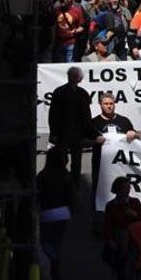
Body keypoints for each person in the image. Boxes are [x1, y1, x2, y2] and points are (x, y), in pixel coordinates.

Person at [48, 66, 96, 197]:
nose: (74, 78)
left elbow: (87, 116)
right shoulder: (59, 92)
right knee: (61, 160)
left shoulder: (83, 93)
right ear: (68, 77)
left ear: (80, 79)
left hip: (78, 134)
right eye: (72, 76)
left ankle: (75, 188)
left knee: (77, 162)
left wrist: (88, 134)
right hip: (62, 132)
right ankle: (59, 185)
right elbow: (53, 115)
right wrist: (53, 134)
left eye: (76, 76)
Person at [103, 177, 141, 280]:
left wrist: (135, 216)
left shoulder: (135, 203)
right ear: (118, 190)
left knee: (127, 275)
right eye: (124, 188)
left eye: (128, 188)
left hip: (131, 244)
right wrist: (110, 241)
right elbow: (107, 226)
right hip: (118, 244)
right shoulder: (111, 206)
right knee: (121, 276)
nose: (127, 190)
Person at [37, 149, 74, 280]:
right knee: (57, 242)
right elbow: (72, 197)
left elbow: (37, 195)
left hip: (47, 212)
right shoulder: (66, 176)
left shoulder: (43, 175)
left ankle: (51, 264)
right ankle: (55, 267)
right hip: (63, 212)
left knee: (46, 241)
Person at [91, 94, 137, 198]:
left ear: (114, 105)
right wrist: (95, 141)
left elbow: (137, 136)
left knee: (122, 189)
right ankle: (97, 212)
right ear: (100, 105)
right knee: (98, 191)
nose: (109, 106)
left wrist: (134, 134)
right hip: (101, 164)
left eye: (111, 103)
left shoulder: (124, 121)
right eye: (106, 104)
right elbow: (83, 141)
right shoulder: (93, 123)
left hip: (121, 164)